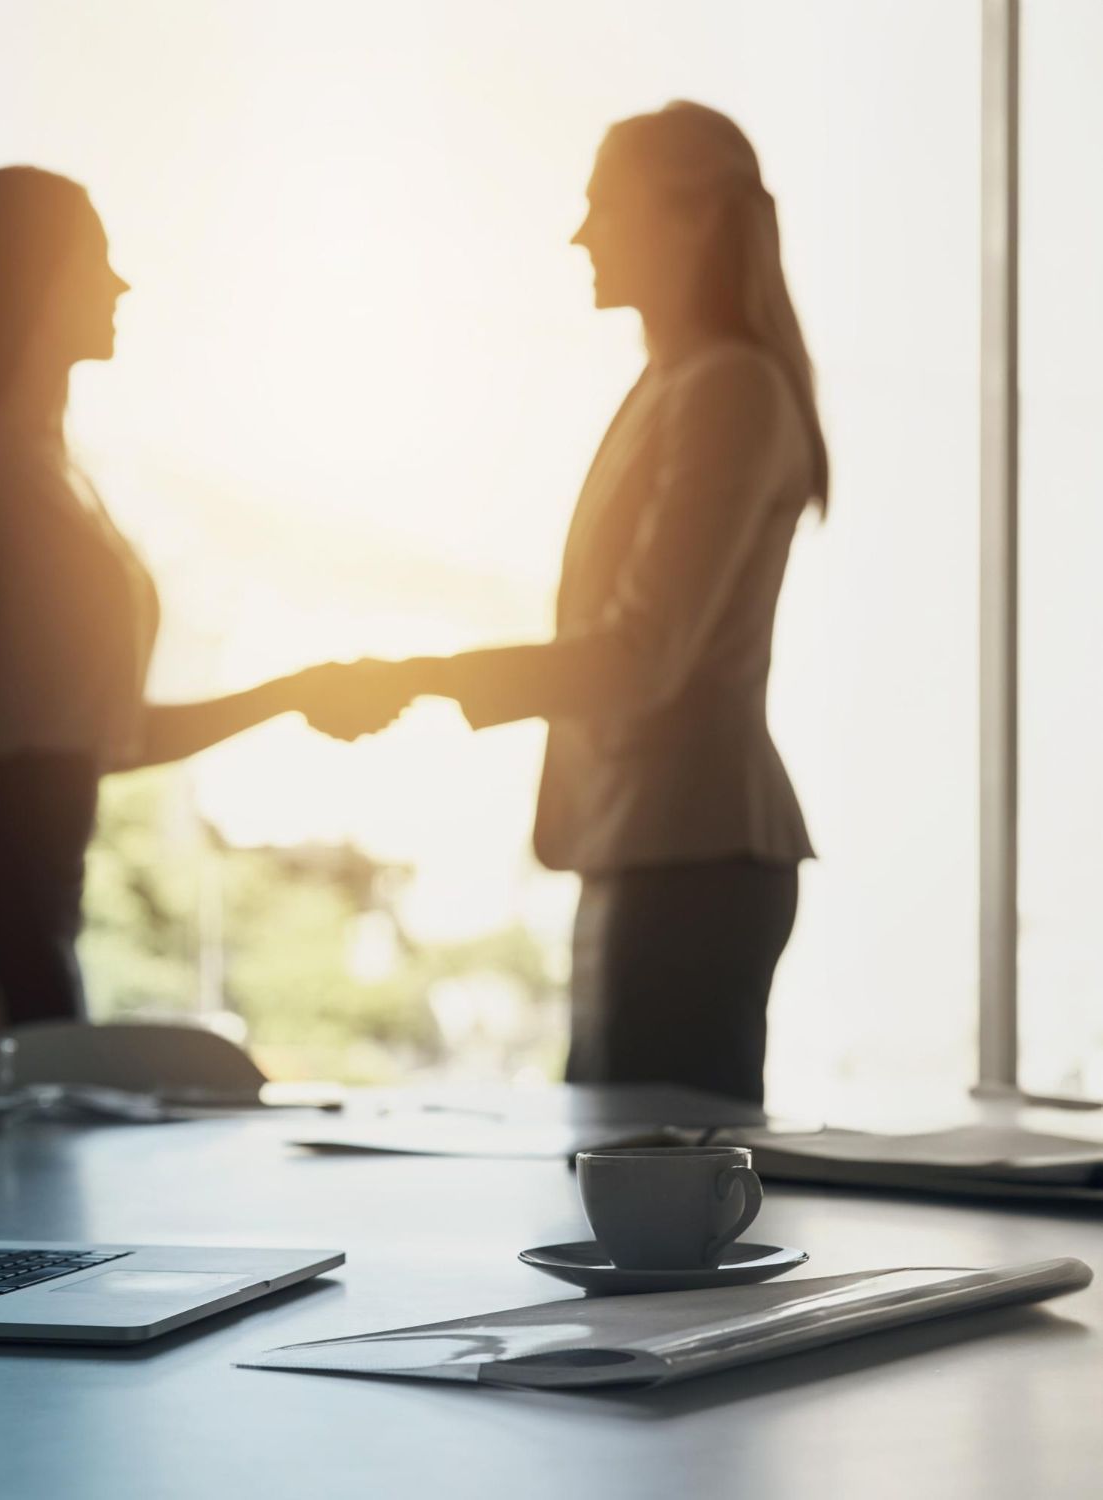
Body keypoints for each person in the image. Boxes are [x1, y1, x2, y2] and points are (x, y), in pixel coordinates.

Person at [324, 102, 828, 1104]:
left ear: (687, 219)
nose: (580, 234)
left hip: (690, 844)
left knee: (651, 1188)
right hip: (654, 840)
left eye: (603, 205)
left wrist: (422, 677)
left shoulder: (724, 388)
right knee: (630, 1172)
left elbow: (643, 651)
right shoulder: (677, 384)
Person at [0, 166, 403, 1044]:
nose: (119, 284)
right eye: (97, 260)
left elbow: (102, 736)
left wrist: (293, 695)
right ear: (29, 277)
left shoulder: (56, 474)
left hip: (35, 909)